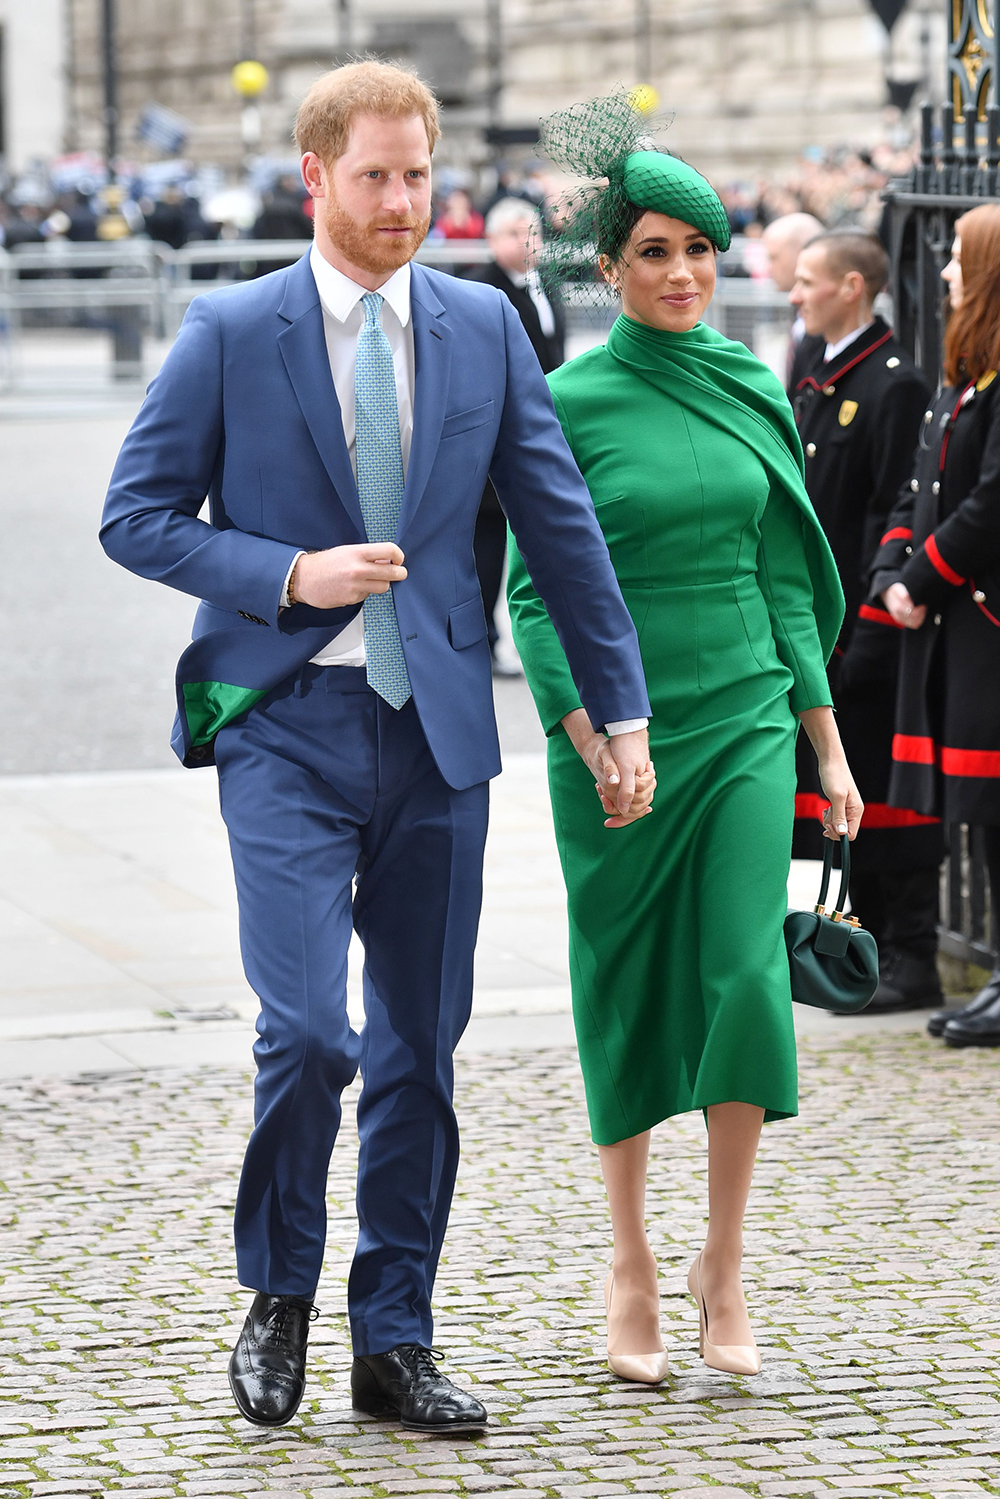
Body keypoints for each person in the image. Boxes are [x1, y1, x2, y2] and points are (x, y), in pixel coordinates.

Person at [100, 61, 650, 1432]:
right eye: (375, 178)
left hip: (438, 734)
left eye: (419, 175)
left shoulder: (481, 325)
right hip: (284, 727)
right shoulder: (232, 328)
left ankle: (392, 1334)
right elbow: (137, 514)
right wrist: (291, 572)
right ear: (316, 181)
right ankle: (279, 1289)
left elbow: (559, 521)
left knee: (420, 1045)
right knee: (306, 1032)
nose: (404, 201)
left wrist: (617, 707)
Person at [508, 93, 860, 1383]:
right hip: (611, 732)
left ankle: (724, 1256)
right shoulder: (563, 401)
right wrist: (588, 726)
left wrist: (824, 746)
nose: (683, 273)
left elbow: (782, 577)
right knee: (624, 981)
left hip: (748, 720)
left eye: (702, 250)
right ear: (606, 268)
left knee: (740, 978)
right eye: (654, 251)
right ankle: (629, 1261)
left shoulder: (747, 385)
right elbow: (535, 588)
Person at [789, 231, 943, 1012]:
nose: (795, 293)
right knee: (848, 793)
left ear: (853, 286)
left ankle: (915, 954)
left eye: (809, 281)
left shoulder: (892, 382)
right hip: (825, 624)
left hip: (865, 625)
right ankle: (874, 943)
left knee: (885, 788)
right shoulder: (821, 370)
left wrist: (868, 632)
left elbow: (894, 507)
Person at [869, 203, 1000, 1047]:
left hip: (981, 624)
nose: (945, 272)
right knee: (984, 817)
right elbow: (923, 489)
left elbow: (992, 501)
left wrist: (924, 577)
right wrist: (892, 572)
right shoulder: (968, 376)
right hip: (954, 628)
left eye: (959, 257)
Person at [465, 198, 566, 670]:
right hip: (493, 444)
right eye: (514, 234)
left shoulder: (546, 286)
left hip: (538, 437)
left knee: (537, 545)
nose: (528, 244)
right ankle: (481, 640)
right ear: (491, 240)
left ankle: (538, 643)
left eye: (533, 234)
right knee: (485, 548)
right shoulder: (480, 289)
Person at [762, 211, 825, 389]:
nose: (769, 268)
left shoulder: (828, 319)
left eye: (774, 257)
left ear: (802, 252)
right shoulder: (800, 307)